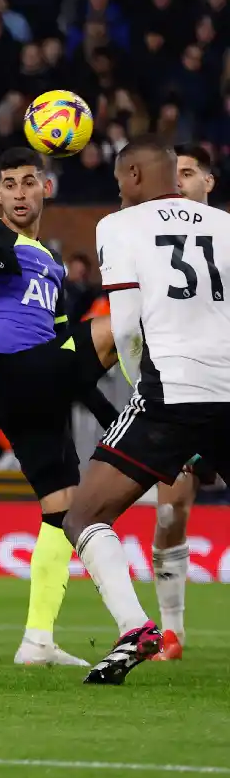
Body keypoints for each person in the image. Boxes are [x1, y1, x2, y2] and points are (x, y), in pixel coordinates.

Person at [0, 147, 120, 667]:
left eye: (27, 183)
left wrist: (109, 417)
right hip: (12, 370)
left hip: (43, 379)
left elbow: (68, 350)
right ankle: (165, 408)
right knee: (123, 321)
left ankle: (37, 641)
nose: (19, 193)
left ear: (45, 188)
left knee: (63, 509)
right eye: (9, 184)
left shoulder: (54, 263)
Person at [64, 136, 230, 684]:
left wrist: (141, 389)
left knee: (84, 516)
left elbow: (128, 325)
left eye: (118, 182)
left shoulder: (120, 226)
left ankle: (137, 627)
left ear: (133, 174)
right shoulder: (225, 224)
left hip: (170, 393)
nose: (118, 192)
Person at [148, 143, 219, 662]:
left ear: (209, 183)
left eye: (189, 173)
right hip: (179, 393)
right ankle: (171, 632)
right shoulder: (153, 243)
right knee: (171, 513)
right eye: (173, 174)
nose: (180, 181)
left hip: (227, 388)